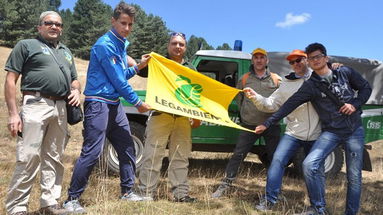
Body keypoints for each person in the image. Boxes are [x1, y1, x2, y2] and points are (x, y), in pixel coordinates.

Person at [255, 43, 372, 215]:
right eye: (311, 58)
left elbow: (365, 88)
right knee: (309, 164)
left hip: (354, 131)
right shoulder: (311, 85)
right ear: (309, 62)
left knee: (354, 176)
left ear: (326, 57)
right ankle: (318, 209)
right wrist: (267, 123)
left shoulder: (345, 72)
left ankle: (351, 212)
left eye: (317, 56)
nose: (315, 60)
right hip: (331, 132)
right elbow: (289, 105)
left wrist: (354, 104)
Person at [62, 2, 151, 213]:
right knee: (92, 152)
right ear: (113, 21)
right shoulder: (105, 45)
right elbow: (119, 82)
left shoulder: (121, 44)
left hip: (114, 105)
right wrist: (138, 103)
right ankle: (71, 199)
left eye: (130, 24)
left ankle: (127, 192)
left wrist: (138, 67)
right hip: (98, 104)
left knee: (127, 147)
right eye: (123, 23)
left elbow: (120, 76)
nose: (127, 28)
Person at [4, 11, 81, 215]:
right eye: (49, 23)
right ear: (39, 27)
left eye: (58, 24)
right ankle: (17, 208)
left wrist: (76, 89)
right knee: (28, 156)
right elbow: (11, 80)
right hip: (35, 103)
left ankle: (50, 204)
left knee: (54, 157)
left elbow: (74, 79)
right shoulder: (26, 45)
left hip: (61, 108)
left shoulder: (66, 51)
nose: (54, 27)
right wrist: (13, 114)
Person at [243, 49, 323, 211]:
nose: (296, 64)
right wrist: (255, 97)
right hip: (293, 132)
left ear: (306, 60)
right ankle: (270, 200)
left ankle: (318, 207)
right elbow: (271, 104)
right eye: (292, 62)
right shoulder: (286, 83)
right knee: (277, 161)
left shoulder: (319, 78)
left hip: (316, 133)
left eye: (299, 60)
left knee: (315, 169)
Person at [212, 48, 282, 198]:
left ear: (267, 60)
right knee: (238, 155)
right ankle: (225, 185)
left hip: (271, 125)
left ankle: (275, 191)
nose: (258, 60)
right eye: (256, 57)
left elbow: (281, 100)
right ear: (252, 60)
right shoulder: (244, 79)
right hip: (249, 125)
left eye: (262, 57)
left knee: (275, 158)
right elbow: (239, 99)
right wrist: (246, 114)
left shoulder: (276, 79)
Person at [136, 32, 198, 202]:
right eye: (174, 43)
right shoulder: (157, 62)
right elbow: (140, 72)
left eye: (181, 44)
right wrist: (142, 63)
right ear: (168, 46)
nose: (178, 47)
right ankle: (146, 193)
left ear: (185, 47)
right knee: (153, 154)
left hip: (183, 119)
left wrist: (197, 116)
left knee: (180, 156)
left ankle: (181, 195)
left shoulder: (191, 68)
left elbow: (196, 93)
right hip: (160, 116)